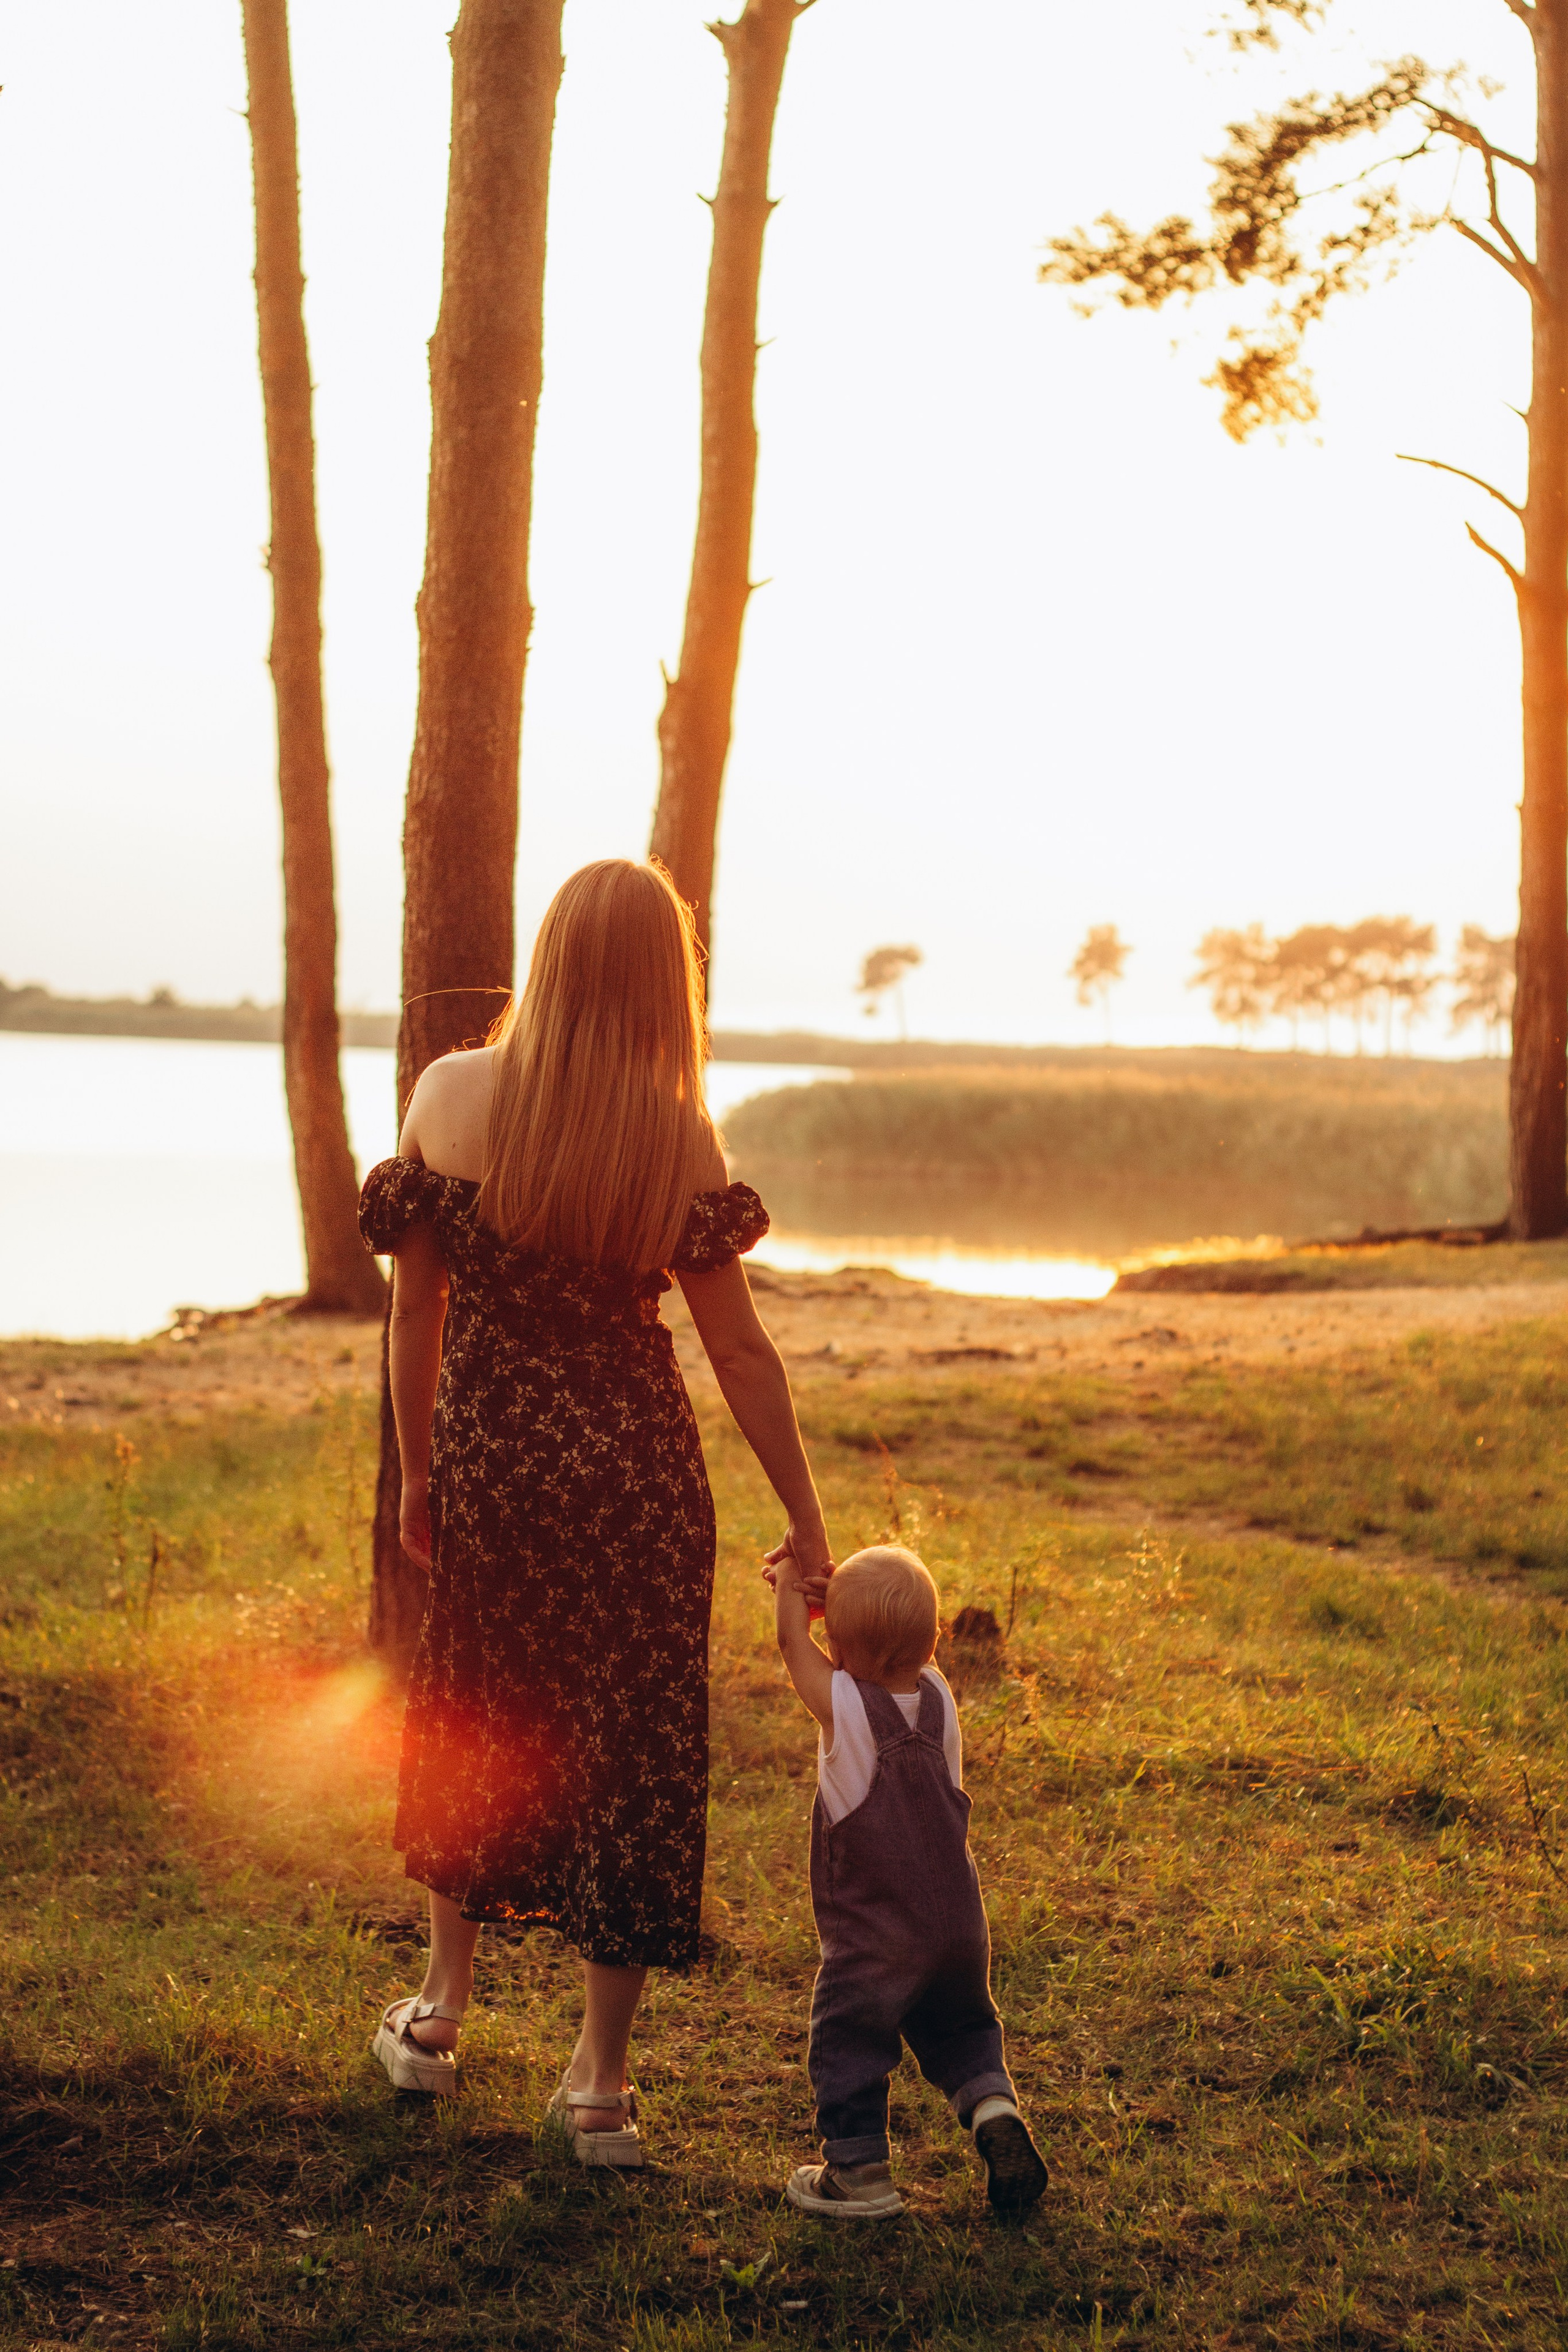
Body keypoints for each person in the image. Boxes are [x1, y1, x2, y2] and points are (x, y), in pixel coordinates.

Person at [358, 859, 834, 2167]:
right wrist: (806, 1514)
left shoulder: (448, 1096)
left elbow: (420, 1314)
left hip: (500, 1464)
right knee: (632, 1752)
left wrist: (418, 1473)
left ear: (552, 954)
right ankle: (600, 2088)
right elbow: (739, 1355)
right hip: (636, 1473)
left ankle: (441, 2015)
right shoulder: (677, 1135)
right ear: (660, 983)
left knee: (476, 1712)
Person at [769, 1543, 1048, 2218]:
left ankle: (858, 2170)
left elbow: (790, 1648)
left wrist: (787, 1589)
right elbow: (885, 1644)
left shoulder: (845, 1708)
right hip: (957, 1920)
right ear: (931, 1641)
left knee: (850, 2035)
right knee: (959, 2024)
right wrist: (852, 1611)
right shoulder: (939, 1695)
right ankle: (991, 2108)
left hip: (878, 1934)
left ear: (840, 1647)